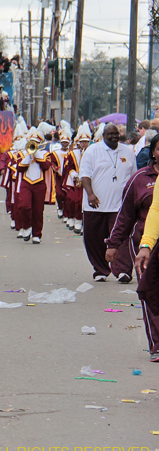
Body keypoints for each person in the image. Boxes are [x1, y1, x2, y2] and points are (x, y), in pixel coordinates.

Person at [107, 134, 159, 362]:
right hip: (146, 246)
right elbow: (127, 216)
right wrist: (114, 244)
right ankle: (157, 344)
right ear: (153, 151)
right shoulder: (139, 179)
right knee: (151, 294)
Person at [80, 123, 137, 282]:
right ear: (103, 136)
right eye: (110, 134)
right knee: (94, 239)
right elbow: (85, 175)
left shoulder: (128, 152)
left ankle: (123, 271)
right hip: (95, 205)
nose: (114, 137)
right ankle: (101, 270)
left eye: (116, 134)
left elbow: (133, 178)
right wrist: (90, 194)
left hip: (120, 206)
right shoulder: (93, 150)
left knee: (121, 239)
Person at [12, 125, 54, 244]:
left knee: (38, 210)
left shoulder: (44, 154)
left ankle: (37, 234)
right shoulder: (23, 154)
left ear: (40, 143)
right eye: (32, 142)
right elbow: (19, 168)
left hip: (39, 184)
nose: (33, 145)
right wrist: (28, 157)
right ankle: (27, 227)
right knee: (24, 206)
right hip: (26, 182)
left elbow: (46, 167)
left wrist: (36, 155)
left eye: (35, 143)